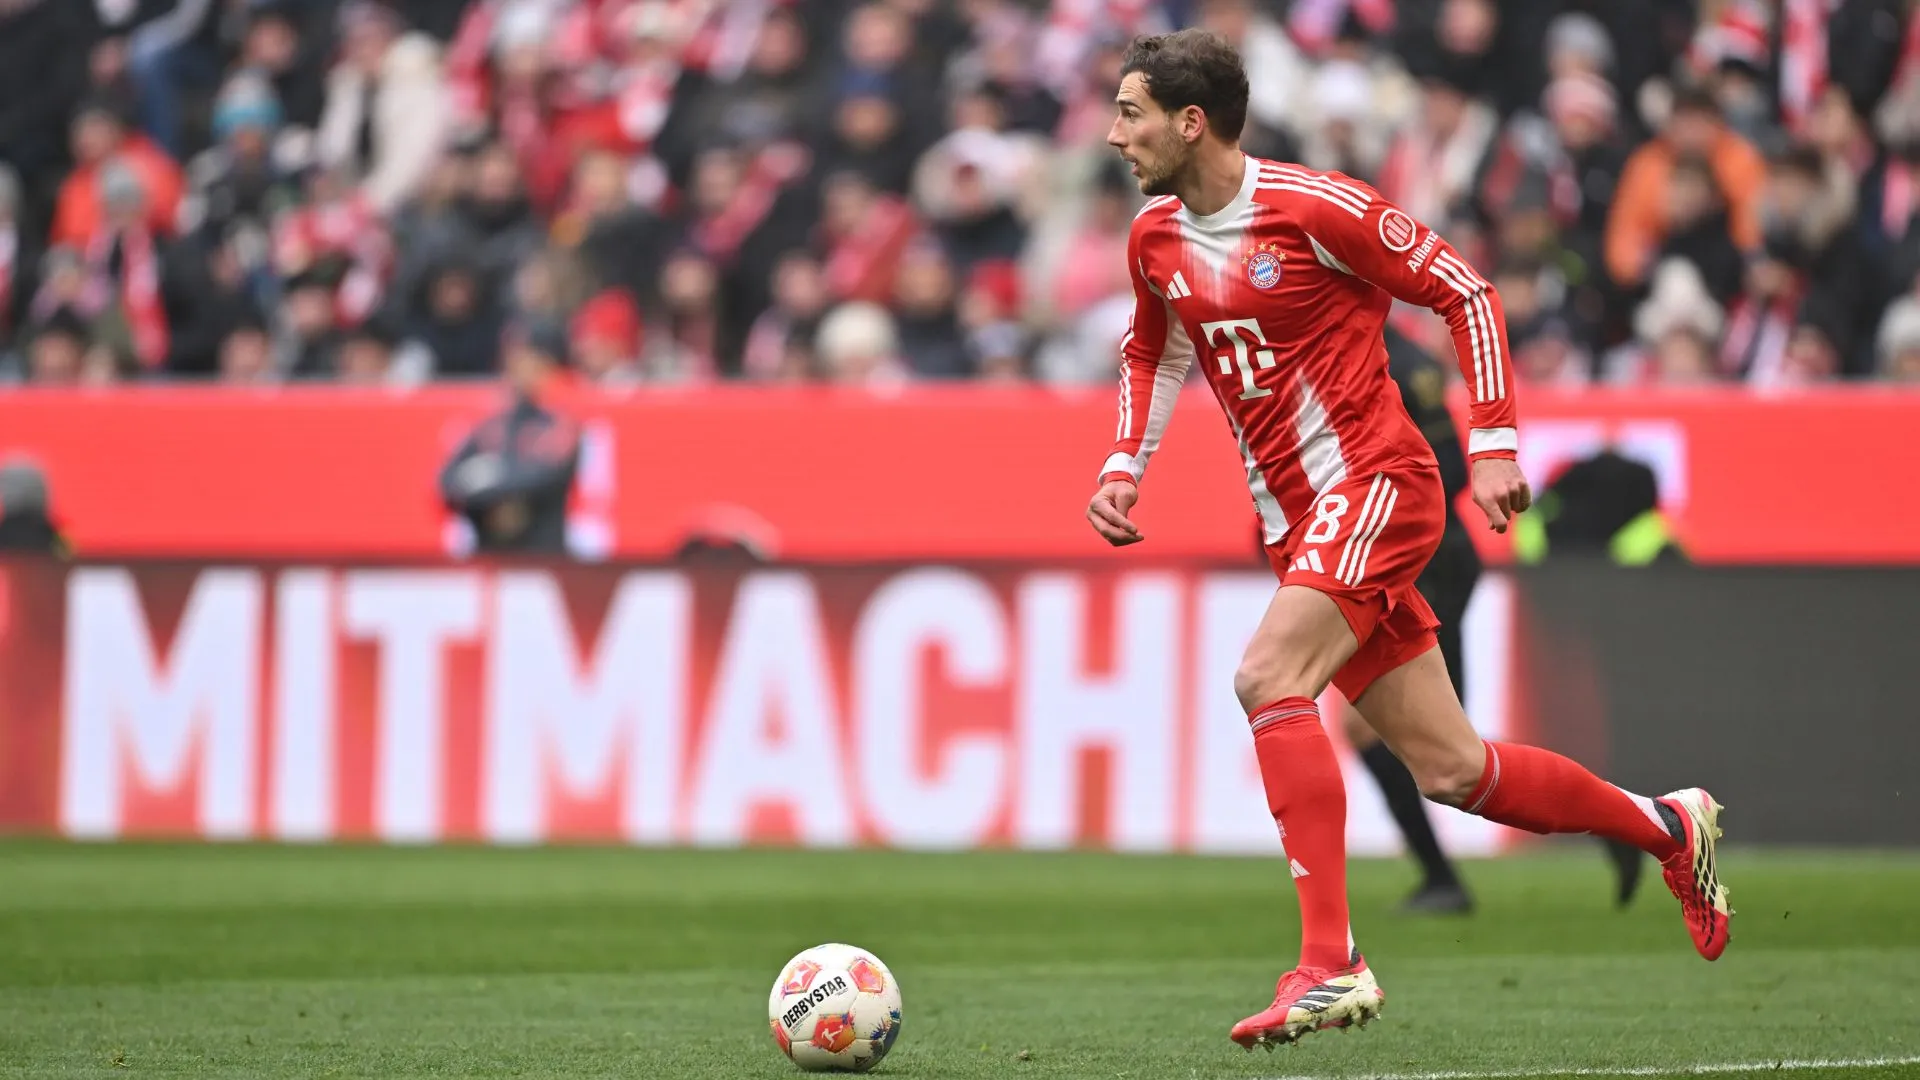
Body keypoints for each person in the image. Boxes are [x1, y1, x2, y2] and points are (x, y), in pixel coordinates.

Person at [1086, 30, 1729, 1050]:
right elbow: (1153, 351)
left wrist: (1497, 445)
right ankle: (1667, 827)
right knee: (1452, 768)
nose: (1113, 135)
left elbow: (1465, 292)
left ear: (1189, 121)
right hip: (1293, 521)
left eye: (1129, 113)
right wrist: (1126, 464)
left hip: (1378, 483)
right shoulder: (1155, 241)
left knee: (1267, 679)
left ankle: (1329, 962)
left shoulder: (1316, 207)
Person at [1347, 327, 1647, 915]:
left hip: (1426, 565)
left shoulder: (1400, 365)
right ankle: (1443, 879)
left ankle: (1619, 820)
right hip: (1381, 565)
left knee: (1446, 749)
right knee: (1402, 739)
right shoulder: (1337, 358)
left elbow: (1452, 471)